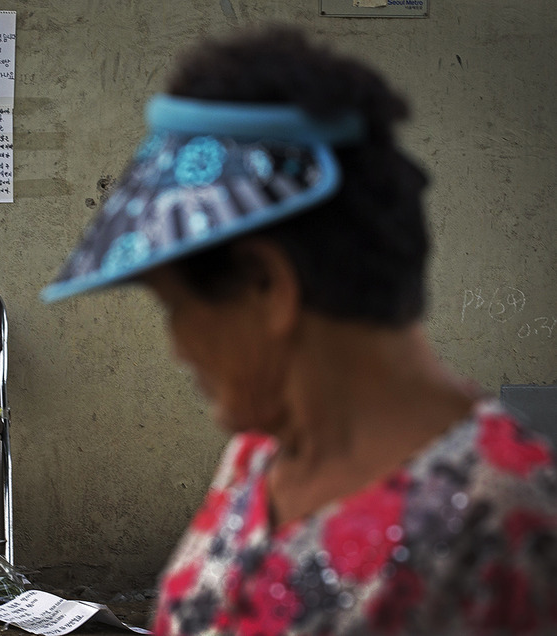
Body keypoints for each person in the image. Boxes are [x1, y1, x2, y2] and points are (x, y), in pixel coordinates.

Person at [41, 27, 557, 635]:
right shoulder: (261, 450)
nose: (179, 348)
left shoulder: (498, 521)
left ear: (268, 286)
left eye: (177, 307)